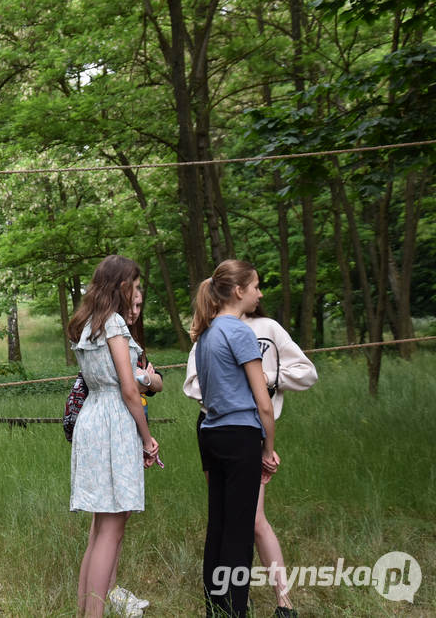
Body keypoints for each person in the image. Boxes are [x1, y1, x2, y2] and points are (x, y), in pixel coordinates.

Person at [184, 302, 317, 618]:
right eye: (253, 285)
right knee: (237, 520)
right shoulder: (211, 331)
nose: (258, 292)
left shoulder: (268, 328)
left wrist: (264, 377)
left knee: (250, 520)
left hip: (256, 429)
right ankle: (238, 601)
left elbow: (306, 372)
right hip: (224, 429)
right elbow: (193, 383)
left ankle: (277, 602)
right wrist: (239, 385)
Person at [68, 255, 159, 617]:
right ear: (121, 286)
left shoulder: (89, 323)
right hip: (114, 422)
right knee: (112, 528)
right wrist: (148, 437)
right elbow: (128, 388)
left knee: (99, 527)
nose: (137, 292)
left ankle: (85, 611)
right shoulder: (115, 325)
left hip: (92, 418)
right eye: (134, 286)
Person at [190, 260, 280, 617]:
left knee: (220, 524)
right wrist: (268, 449)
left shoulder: (205, 335)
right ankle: (236, 610)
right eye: (256, 286)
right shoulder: (240, 332)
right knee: (240, 531)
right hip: (240, 436)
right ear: (239, 290)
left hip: (210, 435)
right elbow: (264, 403)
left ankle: (215, 608)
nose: (259, 293)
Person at [126, 286, 164, 418]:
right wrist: (147, 380)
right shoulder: (109, 340)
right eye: (130, 306)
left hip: (139, 415)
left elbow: (159, 383)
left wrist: (146, 378)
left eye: (138, 306)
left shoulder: (135, 341)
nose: (135, 311)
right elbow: (127, 387)